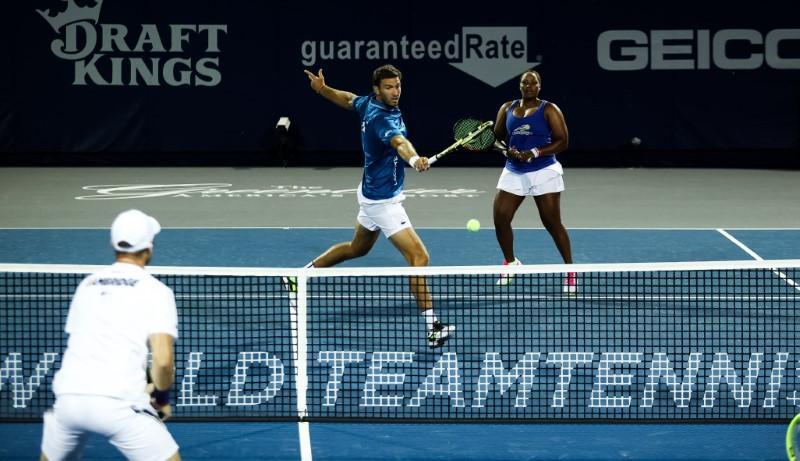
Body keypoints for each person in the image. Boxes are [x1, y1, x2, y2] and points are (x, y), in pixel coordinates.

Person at [302, 64, 454, 348]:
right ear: (377, 89)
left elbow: (348, 99)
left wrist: (322, 89)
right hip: (383, 201)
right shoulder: (383, 120)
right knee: (419, 258)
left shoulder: (368, 103)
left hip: (372, 192)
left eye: (397, 86)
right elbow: (400, 142)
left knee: (356, 248)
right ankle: (433, 327)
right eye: (388, 87)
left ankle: (302, 275)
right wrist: (413, 159)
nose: (395, 92)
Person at [40, 209, 180, 461]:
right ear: (149, 247)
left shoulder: (87, 285)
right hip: (118, 405)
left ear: (112, 243)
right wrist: (161, 398)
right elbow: (162, 360)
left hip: (70, 401)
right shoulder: (157, 291)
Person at [492, 70, 576, 293]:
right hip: (514, 170)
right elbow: (496, 138)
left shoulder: (549, 109)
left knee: (552, 223)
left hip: (543, 170)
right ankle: (511, 263)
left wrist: (535, 152)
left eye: (533, 83)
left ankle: (570, 271)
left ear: (539, 86)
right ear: (519, 85)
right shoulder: (506, 108)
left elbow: (563, 142)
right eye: (524, 82)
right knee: (500, 219)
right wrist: (505, 151)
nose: (528, 86)